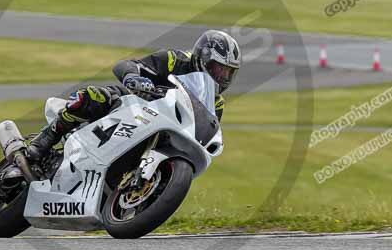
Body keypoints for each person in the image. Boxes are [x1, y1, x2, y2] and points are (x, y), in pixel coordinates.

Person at [27, 30, 241, 162]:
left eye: (227, 72)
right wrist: (133, 77)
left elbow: (205, 132)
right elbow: (127, 65)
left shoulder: (216, 104)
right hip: (136, 104)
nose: (220, 76)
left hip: (167, 132)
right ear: (202, 57)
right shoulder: (175, 59)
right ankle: (47, 136)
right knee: (96, 97)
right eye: (217, 68)